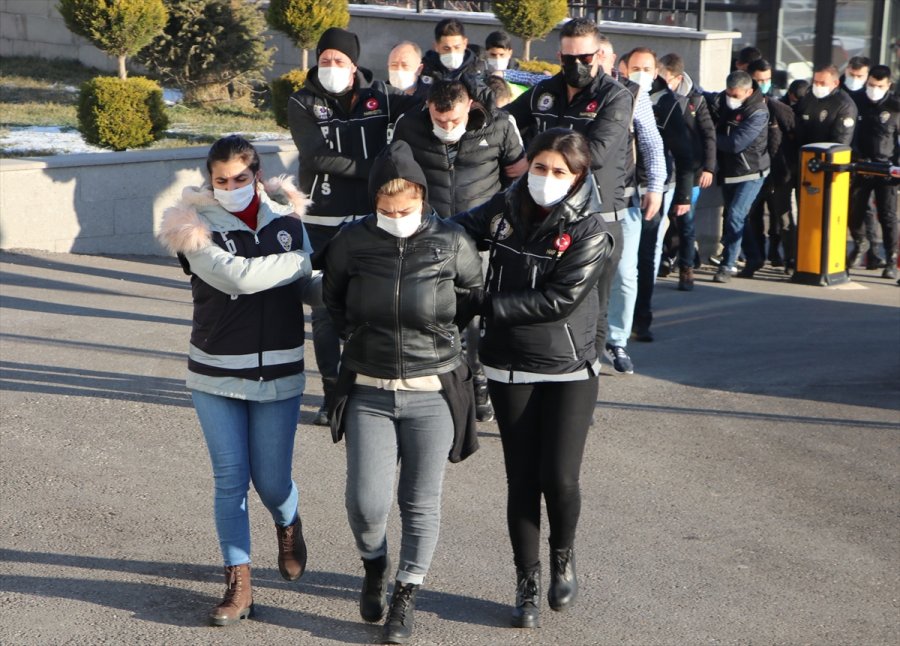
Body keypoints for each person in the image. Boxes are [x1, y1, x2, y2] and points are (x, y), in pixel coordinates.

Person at [322, 140, 483, 644]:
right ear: (374, 204)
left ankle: (406, 594)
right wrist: (357, 342)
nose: (396, 217)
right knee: (366, 504)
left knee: (420, 501)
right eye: (386, 210)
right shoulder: (352, 241)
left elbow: (472, 302)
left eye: (405, 209)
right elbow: (332, 302)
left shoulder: (452, 241)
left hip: (432, 389)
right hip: (369, 387)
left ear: (422, 198)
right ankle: (375, 565)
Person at [453, 128, 614, 629]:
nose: (545, 179)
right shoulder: (505, 205)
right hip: (507, 363)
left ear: (579, 176)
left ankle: (562, 557)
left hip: (568, 366)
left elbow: (558, 301)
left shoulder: (590, 228)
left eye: (558, 172)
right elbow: (457, 229)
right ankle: (525, 582)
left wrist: (481, 304)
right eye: (539, 168)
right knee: (521, 479)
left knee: (559, 478)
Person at [157, 135, 317, 626]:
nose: (230, 187)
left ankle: (287, 522)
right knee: (231, 481)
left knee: (271, 482)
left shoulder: (289, 219)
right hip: (215, 372)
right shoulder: (190, 225)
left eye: (240, 179)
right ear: (210, 180)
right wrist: (300, 262)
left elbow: (307, 283)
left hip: (280, 371)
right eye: (221, 180)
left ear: (258, 175)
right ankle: (239, 582)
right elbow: (236, 279)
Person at [505, 19, 655, 376]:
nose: (577, 65)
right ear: (559, 55)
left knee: (591, 309)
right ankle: (540, 375)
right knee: (538, 298)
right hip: (543, 215)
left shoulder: (618, 96)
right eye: (569, 58)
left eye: (585, 57)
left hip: (598, 218)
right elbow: (506, 122)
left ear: (599, 55)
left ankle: (583, 382)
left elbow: (597, 152)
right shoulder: (545, 90)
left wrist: (536, 157)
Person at [288, 27, 409, 425]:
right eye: (325, 61)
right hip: (321, 220)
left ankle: (362, 387)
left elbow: (413, 127)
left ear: (354, 65)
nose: (331, 67)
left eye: (339, 61)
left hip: (370, 222)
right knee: (322, 310)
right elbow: (316, 156)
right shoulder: (302, 101)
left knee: (369, 308)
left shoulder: (384, 98)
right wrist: (376, 171)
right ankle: (330, 392)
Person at [624, 47, 693, 342]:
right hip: (621, 187)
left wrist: (683, 197)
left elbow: (684, 151)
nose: (641, 73)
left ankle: (641, 319)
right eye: (635, 67)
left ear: (656, 73)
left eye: (647, 68)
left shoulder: (665, 102)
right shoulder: (614, 95)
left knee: (645, 256)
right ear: (623, 67)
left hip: (653, 189)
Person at [658, 52, 717, 291]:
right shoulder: (656, 98)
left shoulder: (696, 101)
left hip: (689, 171)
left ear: (678, 78)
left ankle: (686, 268)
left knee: (686, 221)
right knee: (665, 218)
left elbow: (708, 135)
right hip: (663, 170)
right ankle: (665, 259)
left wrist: (708, 168)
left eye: (666, 79)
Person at [711, 71, 771, 283]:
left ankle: (728, 265)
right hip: (729, 172)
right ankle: (754, 257)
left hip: (751, 172)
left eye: (736, 95)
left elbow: (736, 144)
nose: (731, 99)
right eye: (729, 94)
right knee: (735, 218)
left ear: (749, 92)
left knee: (735, 215)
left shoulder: (758, 112)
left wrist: (708, 137)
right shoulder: (722, 101)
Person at [742, 58, 797, 276]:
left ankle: (790, 259)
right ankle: (755, 259)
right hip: (752, 172)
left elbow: (794, 135)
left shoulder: (778, 108)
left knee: (782, 218)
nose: (763, 84)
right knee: (752, 217)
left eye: (767, 79)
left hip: (778, 173)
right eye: (758, 80)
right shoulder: (743, 108)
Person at [849, 65, 899, 279]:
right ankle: (862, 241)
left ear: (888, 85)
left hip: (887, 169)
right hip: (861, 166)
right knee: (855, 212)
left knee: (888, 217)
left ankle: (891, 259)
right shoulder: (856, 101)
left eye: (879, 86)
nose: (874, 89)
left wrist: (896, 166)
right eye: (871, 85)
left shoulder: (895, 107)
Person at [796, 64, 858, 147]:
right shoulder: (809, 96)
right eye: (815, 82)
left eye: (822, 83)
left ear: (835, 83)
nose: (817, 86)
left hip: (828, 155)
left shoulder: (844, 105)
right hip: (804, 152)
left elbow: (841, 140)